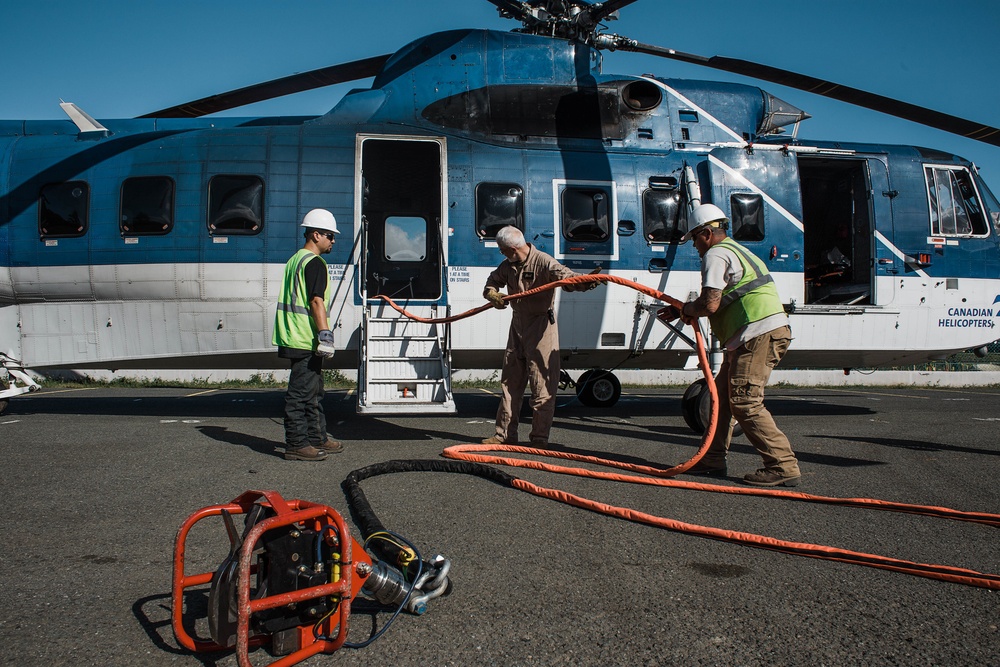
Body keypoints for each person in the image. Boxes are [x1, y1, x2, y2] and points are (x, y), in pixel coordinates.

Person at [660, 204, 800, 486]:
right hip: (756, 333)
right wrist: (682, 311)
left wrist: (686, 309)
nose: (696, 248)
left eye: (696, 240)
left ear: (707, 233)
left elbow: (709, 304)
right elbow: (725, 298)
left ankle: (782, 465)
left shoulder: (716, 254)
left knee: (745, 401)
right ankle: (712, 459)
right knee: (721, 399)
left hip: (757, 333)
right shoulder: (737, 250)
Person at [482, 226, 598, 448]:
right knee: (510, 384)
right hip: (517, 327)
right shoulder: (508, 266)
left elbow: (566, 277)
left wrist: (584, 282)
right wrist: (492, 294)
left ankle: (539, 439)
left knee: (542, 387)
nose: (501, 254)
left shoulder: (544, 262)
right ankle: (504, 435)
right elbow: (492, 281)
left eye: (502, 250)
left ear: (513, 248)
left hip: (541, 327)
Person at [272, 209, 345, 461]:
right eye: (329, 236)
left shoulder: (295, 260)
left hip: (295, 334)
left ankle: (317, 437)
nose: (333, 241)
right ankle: (296, 444)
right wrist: (325, 334)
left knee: (314, 392)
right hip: (304, 337)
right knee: (300, 395)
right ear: (316, 235)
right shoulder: (314, 263)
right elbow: (316, 301)